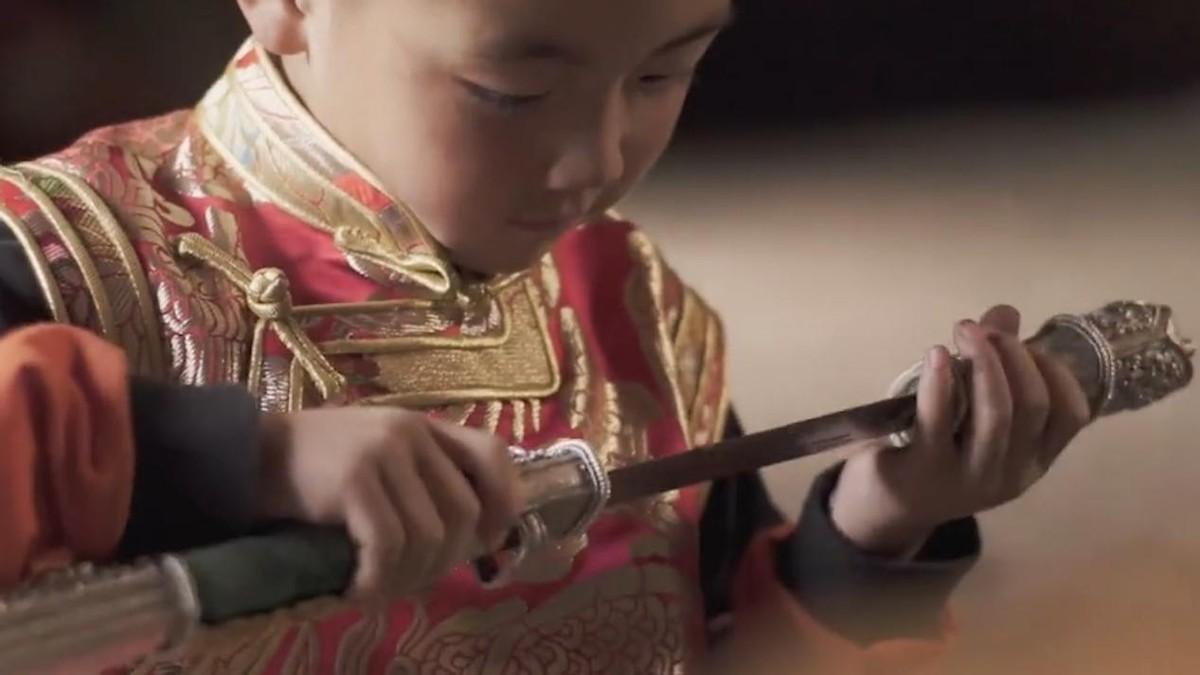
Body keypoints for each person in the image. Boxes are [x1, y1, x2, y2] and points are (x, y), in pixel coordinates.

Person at [0, 1, 1092, 673]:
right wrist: (252, 458)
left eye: (662, 74)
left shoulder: (624, 302)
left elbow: (705, 639)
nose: (596, 161)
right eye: (512, 92)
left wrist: (879, 524)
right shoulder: (64, 253)